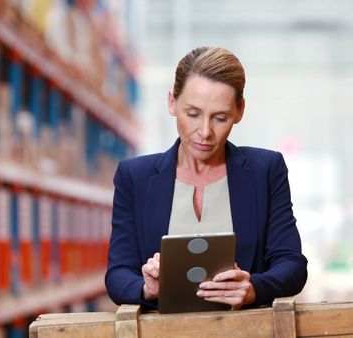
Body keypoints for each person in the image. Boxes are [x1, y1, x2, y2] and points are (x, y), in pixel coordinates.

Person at [105, 46, 307, 310]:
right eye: (193, 114)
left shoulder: (266, 170)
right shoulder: (135, 177)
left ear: (240, 111)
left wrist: (254, 288)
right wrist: (146, 288)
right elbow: (117, 274)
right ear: (171, 103)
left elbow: (292, 264)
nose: (205, 132)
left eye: (220, 118)